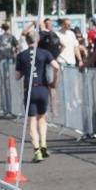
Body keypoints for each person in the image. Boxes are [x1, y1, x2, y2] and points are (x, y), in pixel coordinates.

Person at [16, 31, 59, 162]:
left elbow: (17, 76)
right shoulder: (44, 53)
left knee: (32, 121)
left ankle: (37, 151)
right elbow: (56, 66)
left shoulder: (21, 55)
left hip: (30, 90)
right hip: (42, 88)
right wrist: (54, 81)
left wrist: (26, 70)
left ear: (26, 40)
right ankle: (44, 144)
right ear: (38, 39)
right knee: (42, 118)